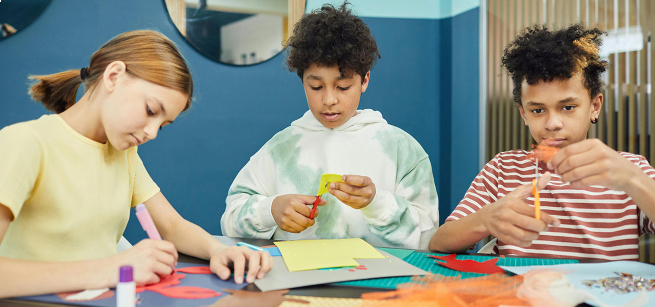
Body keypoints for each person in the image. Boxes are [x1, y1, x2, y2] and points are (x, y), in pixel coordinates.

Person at [0, 30, 271, 298]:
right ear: (114, 76)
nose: (151, 133)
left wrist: (219, 251)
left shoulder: (124, 153)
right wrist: (112, 268)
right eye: (151, 111)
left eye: (162, 126)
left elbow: (172, 226)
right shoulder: (24, 143)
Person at [221, 2, 439, 250]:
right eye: (315, 87)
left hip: (375, 283)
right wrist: (270, 210)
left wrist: (377, 203)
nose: (329, 100)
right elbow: (230, 219)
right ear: (302, 80)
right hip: (295, 279)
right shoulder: (280, 149)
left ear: (365, 79)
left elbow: (429, 237)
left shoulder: (401, 149)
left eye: (343, 87)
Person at [429, 24, 655, 260]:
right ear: (523, 114)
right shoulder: (502, 169)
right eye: (538, 110)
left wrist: (633, 180)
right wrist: (485, 219)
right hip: (518, 295)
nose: (552, 123)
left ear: (594, 107)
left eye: (568, 107)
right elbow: (439, 242)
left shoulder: (630, 168)